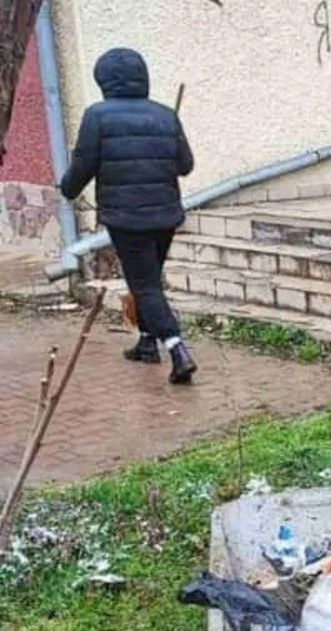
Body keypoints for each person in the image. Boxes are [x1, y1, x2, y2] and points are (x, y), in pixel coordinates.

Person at [60, 47, 196, 384]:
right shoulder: (165, 115)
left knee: (145, 285)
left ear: (104, 80)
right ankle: (147, 343)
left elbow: (83, 164)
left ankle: (177, 348)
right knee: (149, 282)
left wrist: (67, 188)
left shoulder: (98, 116)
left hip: (127, 217)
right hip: (165, 214)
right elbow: (185, 165)